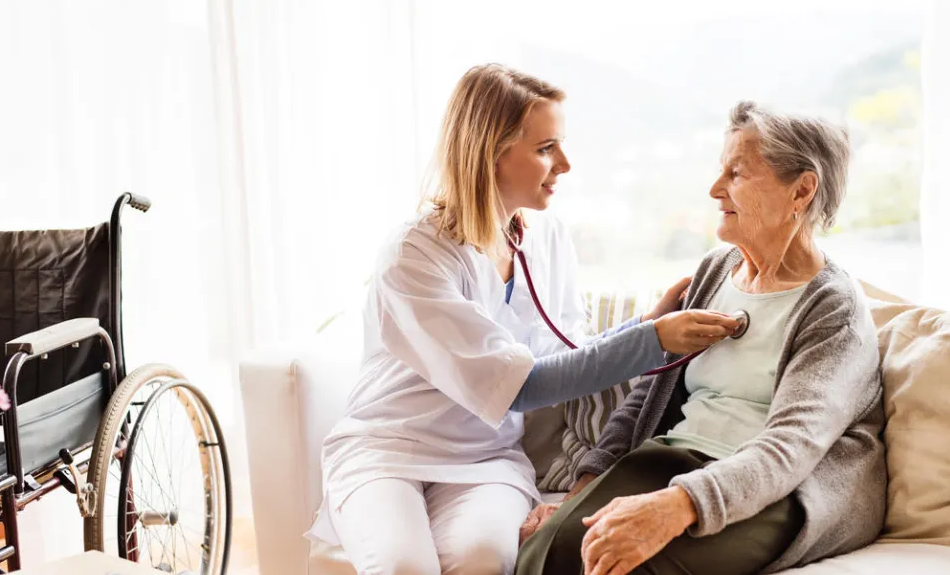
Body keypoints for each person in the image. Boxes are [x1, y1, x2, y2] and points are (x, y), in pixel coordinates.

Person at [308, 64, 742, 575]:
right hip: (388, 450)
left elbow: (563, 356)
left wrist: (645, 324)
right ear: (488, 153)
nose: (565, 164)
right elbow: (520, 387)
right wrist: (652, 339)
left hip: (483, 459)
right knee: (406, 566)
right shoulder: (415, 255)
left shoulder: (546, 237)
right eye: (545, 149)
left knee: (485, 561)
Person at [517, 101, 887, 575]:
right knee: (541, 550)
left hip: (781, 490)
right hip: (676, 459)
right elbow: (648, 397)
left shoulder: (833, 308)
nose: (715, 190)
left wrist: (673, 507)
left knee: (615, 564)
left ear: (802, 190)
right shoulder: (716, 271)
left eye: (736, 174)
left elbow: (791, 445)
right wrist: (577, 497)